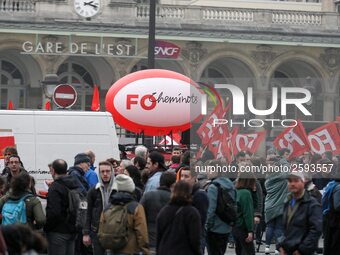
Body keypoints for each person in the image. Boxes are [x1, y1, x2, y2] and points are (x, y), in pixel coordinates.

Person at [277, 172, 322, 255]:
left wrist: (302, 250)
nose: (292, 184)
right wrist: (281, 246)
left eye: (296, 181)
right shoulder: (287, 201)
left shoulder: (312, 203)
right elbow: (286, 228)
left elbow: (316, 230)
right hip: (288, 250)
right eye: (290, 181)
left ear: (303, 182)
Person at [44, 159, 80, 255]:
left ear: (53, 171)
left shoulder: (55, 187)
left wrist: (46, 227)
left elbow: (54, 213)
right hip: (73, 230)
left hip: (58, 233)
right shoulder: (74, 184)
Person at [156, 181, 202, 255]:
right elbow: (195, 239)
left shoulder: (164, 211)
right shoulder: (192, 212)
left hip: (165, 250)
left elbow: (159, 237)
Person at [109, 174, 149, 255]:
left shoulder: (108, 207)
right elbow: (142, 232)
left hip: (112, 249)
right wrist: (144, 251)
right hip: (130, 250)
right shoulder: (136, 207)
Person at [83, 161, 116, 255]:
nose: (105, 174)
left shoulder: (118, 190)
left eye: (108, 171)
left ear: (112, 172)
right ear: (99, 173)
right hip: (97, 231)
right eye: (102, 171)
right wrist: (86, 233)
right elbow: (87, 212)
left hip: (115, 232)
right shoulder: (93, 191)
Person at [140, 171, 176, 254]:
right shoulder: (175, 199)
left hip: (150, 240)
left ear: (160, 182)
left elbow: (140, 217)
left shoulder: (147, 196)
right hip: (169, 243)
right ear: (173, 184)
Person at [206, 160, 236, 255]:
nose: (207, 172)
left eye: (209, 170)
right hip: (227, 225)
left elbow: (211, 209)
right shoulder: (231, 185)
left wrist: (207, 225)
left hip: (215, 227)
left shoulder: (213, 187)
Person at [180, 166, 209, 254]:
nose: (183, 179)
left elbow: (200, 220)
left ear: (194, 178)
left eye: (186, 176)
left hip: (195, 238)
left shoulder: (200, 195)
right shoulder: (181, 193)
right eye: (182, 176)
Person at [264, 161, 289, 255]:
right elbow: (287, 169)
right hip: (280, 206)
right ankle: (277, 249)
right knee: (279, 228)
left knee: (269, 226)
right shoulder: (283, 178)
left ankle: (267, 247)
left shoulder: (267, 181)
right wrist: (283, 161)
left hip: (269, 205)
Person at [232, 172, 256, 255]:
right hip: (243, 227)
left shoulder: (235, 191)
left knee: (239, 250)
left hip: (235, 226)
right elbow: (248, 213)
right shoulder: (246, 193)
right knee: (249, 251)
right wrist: (250, 230)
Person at [322, 176, 340, 255]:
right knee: (335, 245)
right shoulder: (338, 187)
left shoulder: (330, 184)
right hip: (335, 220)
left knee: (328, 243)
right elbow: (337, 206)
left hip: (327, 217)